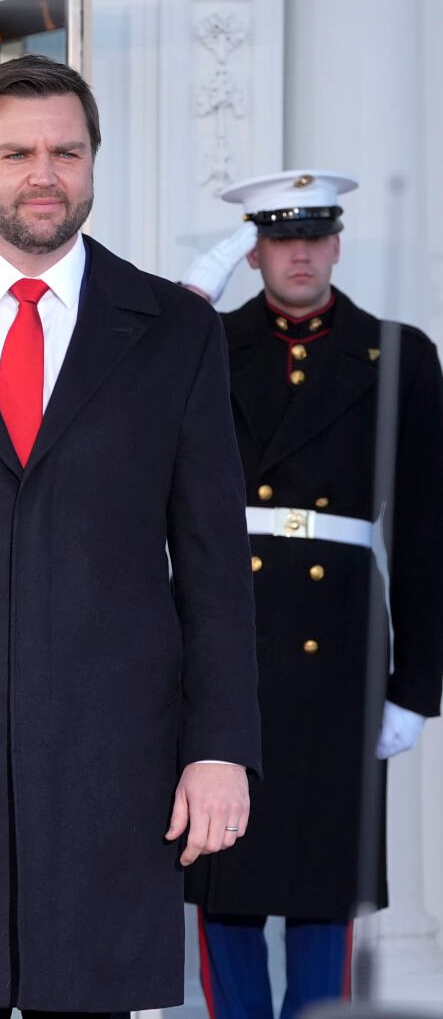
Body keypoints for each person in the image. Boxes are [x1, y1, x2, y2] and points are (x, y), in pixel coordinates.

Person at [0, 54, 261, 1017]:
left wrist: (220, 746)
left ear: (93, 162)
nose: (43, 173)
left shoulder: (175, 334)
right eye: (17, 151)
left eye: (65, 151)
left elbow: (211, 563)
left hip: (116, 759)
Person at [179, 170, 443, 1019]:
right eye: (280, 238)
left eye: (314, 236)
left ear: (335, 243)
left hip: (339, 649)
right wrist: (187, 308)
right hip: (228, 638)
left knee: (323, 884)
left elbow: (427, 528)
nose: (299, 253)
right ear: (252, 251)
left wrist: (415, 685)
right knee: (228, 877)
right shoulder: (205, 345)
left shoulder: (398, 354)